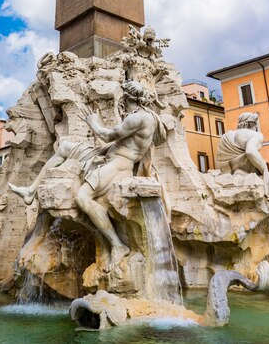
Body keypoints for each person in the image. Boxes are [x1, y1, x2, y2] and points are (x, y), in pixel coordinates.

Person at [9, 80, 166, 269]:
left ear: (126, 98)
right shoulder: (144, 115)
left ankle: (117, 245)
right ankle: (30, 191)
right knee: (65, 146)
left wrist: (93, 123)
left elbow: (107, 135)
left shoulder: (138, 118)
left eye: (122, 97)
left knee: (82, 197)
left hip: (119, 164)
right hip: (107, 154)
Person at [215, 112, 269, 195]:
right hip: (246, 171)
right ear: (252, 124)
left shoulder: (226, 135)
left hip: (226, 172)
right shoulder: (256, 135)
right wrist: (265, 170)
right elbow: (250, 151)